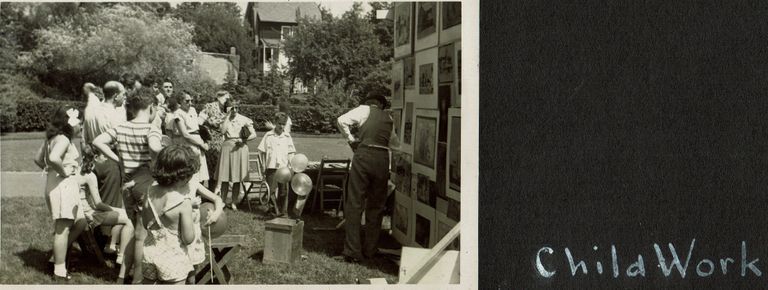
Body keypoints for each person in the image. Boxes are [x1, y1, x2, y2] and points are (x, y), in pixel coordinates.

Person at [92, 87, 164, 284]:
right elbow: (155, 147)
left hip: (127, 186)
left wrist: (118, 159)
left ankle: (122, 277)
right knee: (142, 235)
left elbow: (98, 141)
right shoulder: (151, 129)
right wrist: (161, 156)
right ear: (151, 107)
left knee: (133, 229)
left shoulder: (122, 127)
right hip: (145, 185)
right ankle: (138, 279)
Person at [335, 91, 400, 263]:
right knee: (376, 206)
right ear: (382, 105)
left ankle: (352, 250)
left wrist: (351, 139)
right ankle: (370, 249)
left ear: (369, 101)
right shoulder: (389, 119)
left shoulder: (364, 110)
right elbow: (395, 144)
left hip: (364, 155)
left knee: (355, 204)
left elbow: (341, 120)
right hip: (383, 159)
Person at [34, 105, 87, 281]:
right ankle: (59, 270)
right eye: (80, 122)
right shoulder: (63, 139)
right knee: (62, 229)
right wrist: (64, 172)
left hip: (54, 184)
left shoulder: (52, 138)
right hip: (63, 186)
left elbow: (38, 159)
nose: (81, 125)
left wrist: (51, 171)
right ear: (70, 123)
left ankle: (56, 256)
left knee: (80, 222)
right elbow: (54, 158)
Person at [140, 145, 197, 284]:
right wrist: (193, 219)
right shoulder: (183, 203)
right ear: (182, 176)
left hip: (149, 253)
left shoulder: (149, 191)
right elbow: (188, 238)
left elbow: (145, 223)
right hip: (173, 258)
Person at [75, 146, 134, 267]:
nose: (106, 159)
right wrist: (114, 209)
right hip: (90, 215)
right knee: (129, 220)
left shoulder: (75, 169)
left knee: (123, 214)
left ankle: (112, 247)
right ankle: (121, 258)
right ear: (95, 157)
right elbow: (98, 204)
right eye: (104, 156)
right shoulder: (90, 175)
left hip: (79, 211)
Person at [213, 100, 257, 210]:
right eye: (232, 107)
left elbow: (254, 134)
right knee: (224, 176)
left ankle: (234, 202)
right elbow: (222, 132)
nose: (235, 110)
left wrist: (243, 139)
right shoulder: (224, 119)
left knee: (237, 177)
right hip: (227, 146)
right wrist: (227, 116)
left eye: (236, 107)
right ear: (227, 108)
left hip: (240, 147)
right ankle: (222, 201)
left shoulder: (244, 119)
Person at [257, 112, 296, 216]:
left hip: (283, 168)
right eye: (279, 124)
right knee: (271, 190)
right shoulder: (268, 135)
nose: (281, 126)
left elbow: (291, 152)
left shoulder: (287, 136)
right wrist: (262, 165)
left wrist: (290, 166)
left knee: (283, 191)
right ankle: (274, 210)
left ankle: (282, 211)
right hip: (271, 166)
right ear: (275, 123)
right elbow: (261, 152)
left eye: (283, 124)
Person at [166, 93, 210, 184]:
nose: (190, 103)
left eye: (191, 100)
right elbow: (185, 134)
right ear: (180, 102)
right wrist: (201, 144)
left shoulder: (193, 110)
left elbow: (197, 126)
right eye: (187, 101)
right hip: (189, 144)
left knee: (200, 173)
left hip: (198, 141)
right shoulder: (178, 114)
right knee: (191, 173)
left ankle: (199, 198)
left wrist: (204, 142)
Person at [199, 90, 231, 189]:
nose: (227, 101)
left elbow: (224, 129)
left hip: (219, 143)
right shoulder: (209, 106)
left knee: (215, 171)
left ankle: (211, 196)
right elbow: (199, 122)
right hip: (207, 141)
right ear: (218, 97)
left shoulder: (226, 111)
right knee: (204, 170)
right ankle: (200, 196)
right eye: (225, 98)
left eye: (228, 99)